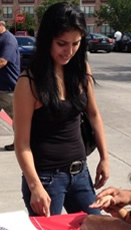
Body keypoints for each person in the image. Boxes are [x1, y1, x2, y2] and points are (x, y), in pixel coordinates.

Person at [13, 2, 109, 217]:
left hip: (80, 172)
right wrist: (34, 186)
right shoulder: (29, 82)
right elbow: (22, 143)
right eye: (61, 43)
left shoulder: (81, 70)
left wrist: (104, 157)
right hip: (46, 179)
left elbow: (93, 114)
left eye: (76, 43)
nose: (69, 51)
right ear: (47, 39)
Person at [0, 16, 20, 151]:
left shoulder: (8, 39)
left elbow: (2, 61)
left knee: (17, 118)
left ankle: (21, 143)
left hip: (9, 88)